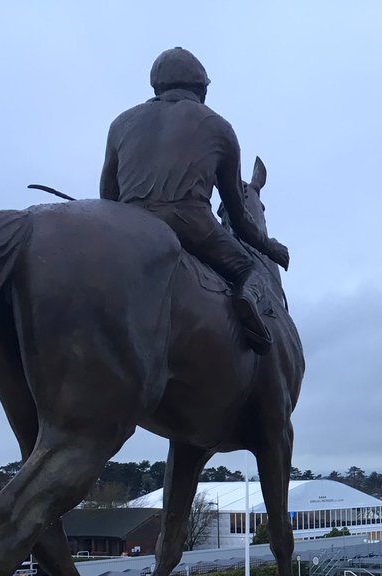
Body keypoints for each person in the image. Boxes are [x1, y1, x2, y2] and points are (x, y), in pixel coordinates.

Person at [99, 48, 291, 355]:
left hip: (129, 225)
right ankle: (248, 309)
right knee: (252, 271)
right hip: (192, 225)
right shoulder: (219, 127)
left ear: (157, 85)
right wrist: (269, 248)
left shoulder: (121, 123)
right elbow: (240, 219)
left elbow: (107, 196)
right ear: (201, 87)